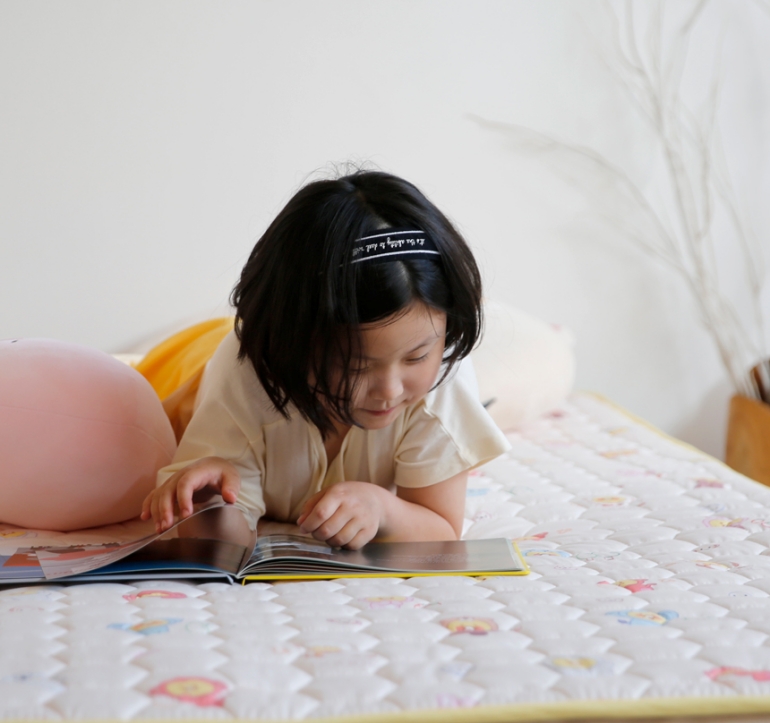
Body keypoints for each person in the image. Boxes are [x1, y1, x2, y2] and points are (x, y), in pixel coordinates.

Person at [141, 170, 510, 550]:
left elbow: (443, 529)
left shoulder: (442, 378)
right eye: (356, 366)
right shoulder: (246, 373)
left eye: (417, 357)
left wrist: (383, 508)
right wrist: (212, 506)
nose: (389, 390)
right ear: (292, 341)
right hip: (189, 362)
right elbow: (225, 547)